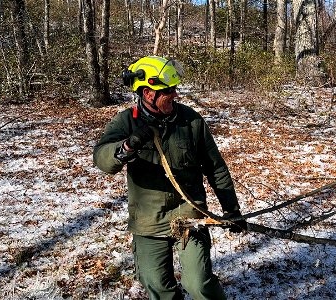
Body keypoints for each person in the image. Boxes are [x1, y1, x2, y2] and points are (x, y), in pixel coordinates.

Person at [93, 56, 246, 300]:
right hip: (148, 221)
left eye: (174, 89)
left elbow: (216, 167)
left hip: (189, 216)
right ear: (147, 93)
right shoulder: (126, 121)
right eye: (167, 91)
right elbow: (102, 159)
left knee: (199, 285)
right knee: (158, 289)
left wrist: (232, 209)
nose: (174, 95)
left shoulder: (191, 121)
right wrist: (126, 148)